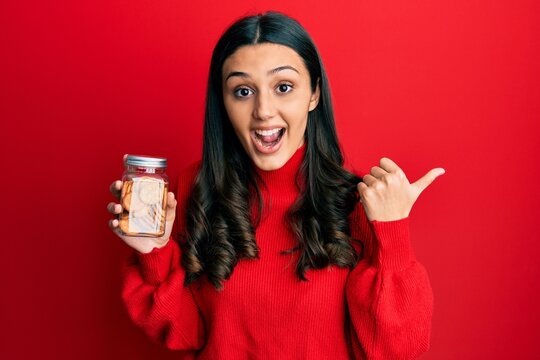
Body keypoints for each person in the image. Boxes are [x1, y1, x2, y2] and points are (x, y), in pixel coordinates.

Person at [107, 11, 444, 359]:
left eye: (283, 87)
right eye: (242, 91)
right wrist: (153, 252)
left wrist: (392, 234)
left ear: (313, 93)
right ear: (223, 103)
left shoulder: (358, 202)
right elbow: (186, 333)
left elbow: (397, 351)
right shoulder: (196, 188)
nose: (263, 110)